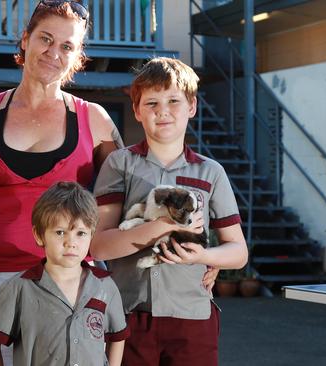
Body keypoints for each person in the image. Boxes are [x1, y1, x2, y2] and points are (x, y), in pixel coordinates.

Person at [0, 1, 123, 364]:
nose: (54, 52)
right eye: (45, 39)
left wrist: (184, 247)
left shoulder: (94, 120)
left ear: (78, 56)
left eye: (67, 46)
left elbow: (132, 191)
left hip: (69, 282)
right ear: (25, 40)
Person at [91, 57, 249, 366]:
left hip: (192, 316)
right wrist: (162, 225)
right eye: (151, 103)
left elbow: (238, 251)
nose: (162, 111)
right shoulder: (119, 164)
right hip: (128, 315)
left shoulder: (210, 171)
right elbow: (99, 245)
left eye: (173, 100)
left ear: (191, 106)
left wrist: (203, 257)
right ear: (136, 111)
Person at [0, 182, 129, 366]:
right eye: (60, 232)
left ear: (92, 234)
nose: (70, 242)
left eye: (81, 233)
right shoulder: (19, 288)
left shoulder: (105, 286)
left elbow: (117, 337)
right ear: (39, 235)